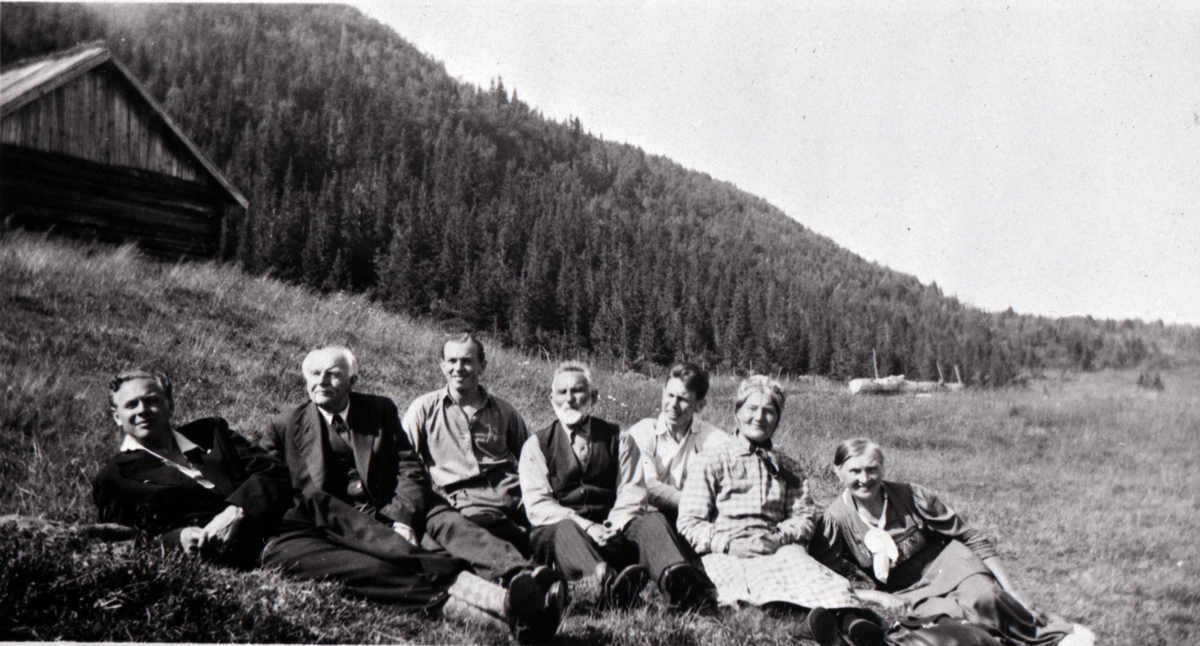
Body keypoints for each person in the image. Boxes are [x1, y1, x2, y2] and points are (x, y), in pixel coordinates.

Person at [259, 346, 564, 641]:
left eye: (333, 374)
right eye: (314, 373)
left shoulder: (378, 410)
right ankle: (513, 605)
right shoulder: (284, 427)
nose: (322, 381)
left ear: (353, 381)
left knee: (447, 522)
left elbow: (410, 467)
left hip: (396, 502)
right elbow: (264, 479)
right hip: (344, 524)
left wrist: (404, 519)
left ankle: (529, 578)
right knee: (421, 556)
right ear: (305, 378)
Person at [810, 438, 1092, 645]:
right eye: (854, 471)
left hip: (950, 566)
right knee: (951, 628)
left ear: (883, 468)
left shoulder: (910, 495)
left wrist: (1013, 590)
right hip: (906, 590)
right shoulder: (836, 519)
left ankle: (1050, 637)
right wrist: (877, 595)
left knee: (986, 598)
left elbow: (969, 536)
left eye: (872, 469)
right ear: (838, 472)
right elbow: (828, 579)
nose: (865, 479)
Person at [677, 375, 885, 646]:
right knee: (751, 583)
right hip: (727, 548)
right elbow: (690, 521)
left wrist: (777, 537)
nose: (760, 417)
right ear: (737, 412)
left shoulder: (789, 466)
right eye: (752, 409)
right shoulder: (711, 459)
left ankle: (852, 622)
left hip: (776, 545)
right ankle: (811, 624)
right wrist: (729, 544)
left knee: (808, 569)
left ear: (778, 418)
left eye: (769, 411)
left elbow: (804, 516)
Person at [518, 361, 711, 611]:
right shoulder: (536, 446)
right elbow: (538, 505)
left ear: (594, 397)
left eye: (577, 391)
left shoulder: (619, 438)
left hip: (612, 532)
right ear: (551, 397)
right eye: (562, 392)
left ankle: (676, 580)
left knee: (652, 520)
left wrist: (613, 528)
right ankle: (604, 585)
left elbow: (632, 491)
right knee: (564, 528)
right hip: (563, 536)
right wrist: (588, 528)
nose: (570, 399)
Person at [93, 369, 292, 568]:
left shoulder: (211, 433)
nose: (142, 410)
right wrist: (178, 539)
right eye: (130, 405)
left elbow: (273, 470)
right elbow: (124, 544)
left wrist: (239, 508)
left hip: (284, 523)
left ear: (170, 405)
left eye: (151, 400)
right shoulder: (114, 478)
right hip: (237, 554)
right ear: (117, 416)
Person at [402, 333, 530, 553]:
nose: (459, 368)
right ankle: (523, 548)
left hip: (515, 493)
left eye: (467, 361)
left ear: (482, 367)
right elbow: (404, 464)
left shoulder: (504, 410)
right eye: (452, 361)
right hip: (467, 500)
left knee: (553, 522)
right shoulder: (424, 409)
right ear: (442, 366)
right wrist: (406, 519)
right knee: (477, 528)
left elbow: (530, 459)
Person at [627, 362, 731, 526]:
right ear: (662, 393)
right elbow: (647, 485)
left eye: (683, 399)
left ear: (700, 405)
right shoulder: (643, 432)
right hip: (646, 522)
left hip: (694, 523)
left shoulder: (712, 438)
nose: (673, 405)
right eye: (670, 396)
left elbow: (733, 479)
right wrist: (697, 503)